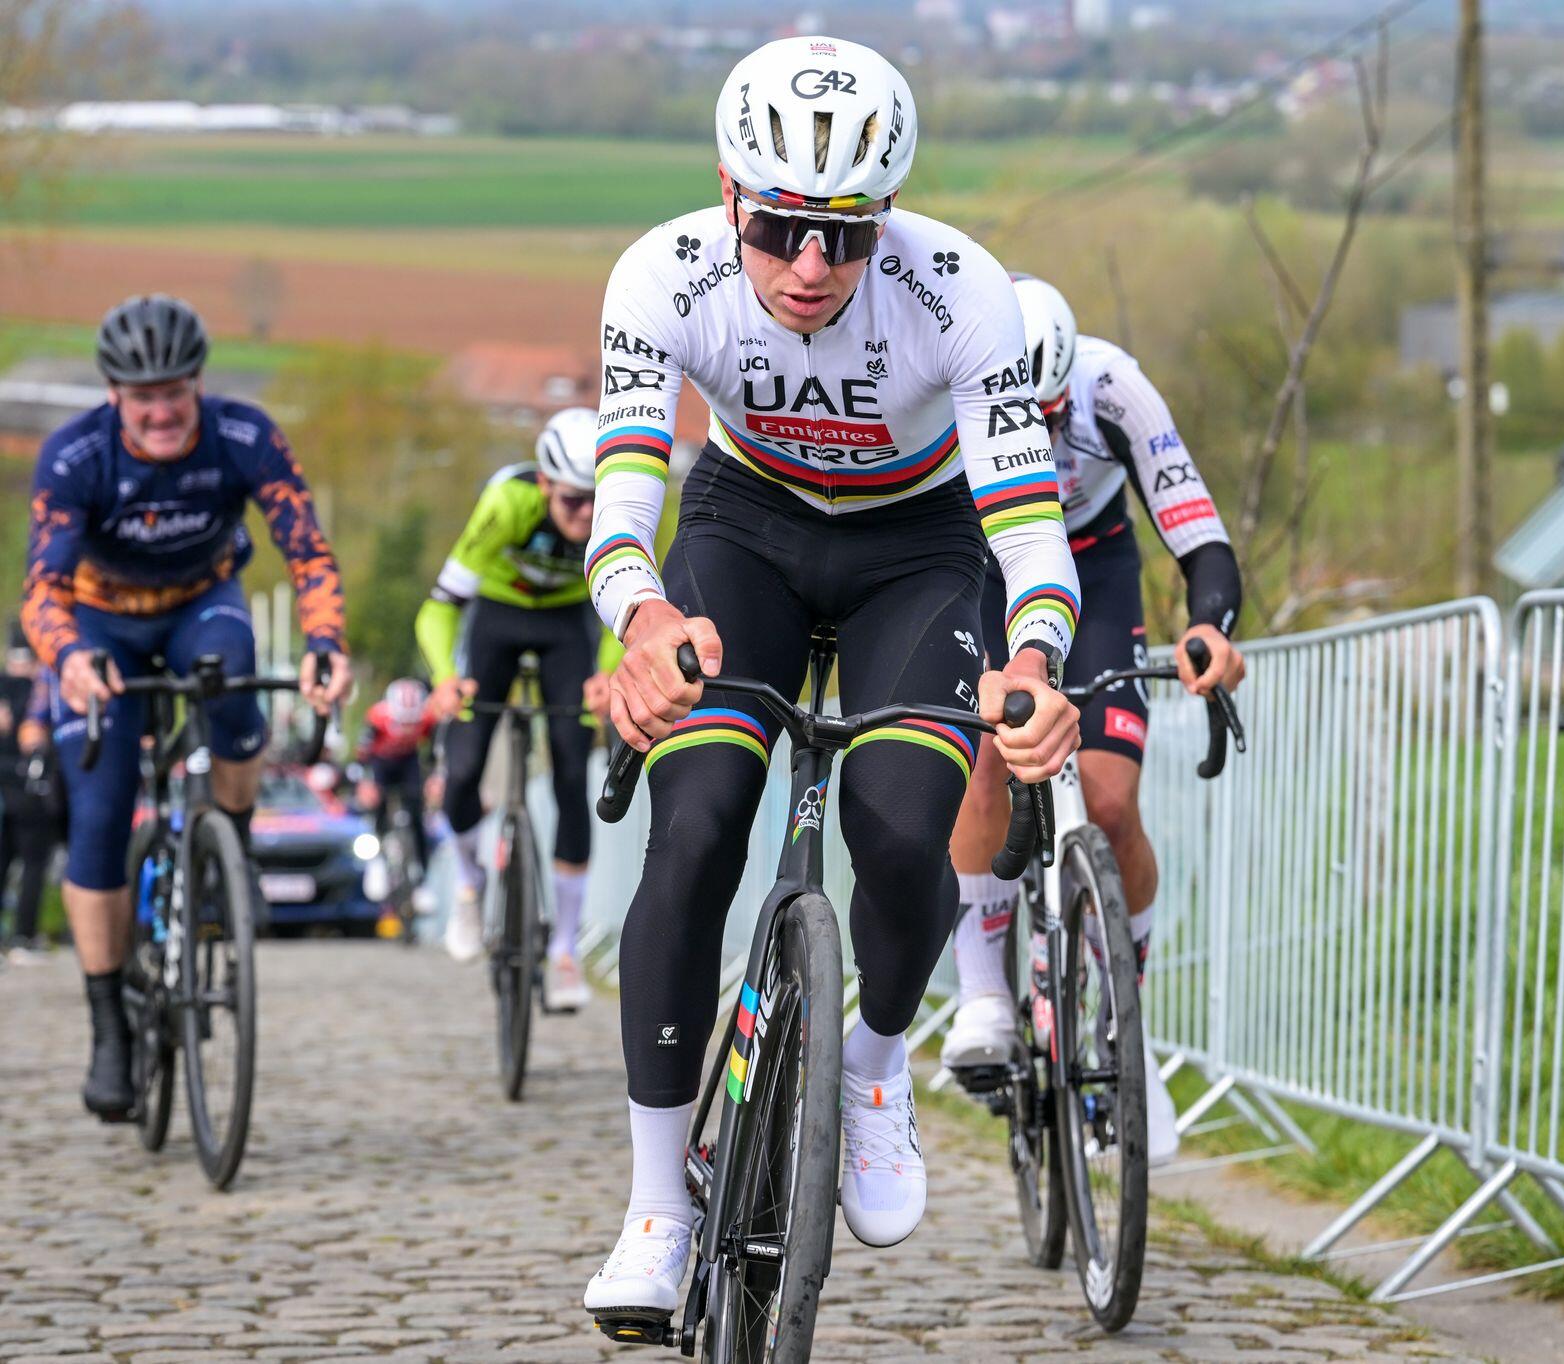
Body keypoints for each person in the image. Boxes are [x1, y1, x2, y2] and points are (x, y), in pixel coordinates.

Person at [579, 35, 1082, 1324]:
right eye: (780, 228)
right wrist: (641, 616)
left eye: (847, 234)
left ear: (888, 215)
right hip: (741, 530)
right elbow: (623, 499)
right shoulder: (663, 275)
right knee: (695, 825)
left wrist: (1035, 662)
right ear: (729, 194)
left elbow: (1029, 530)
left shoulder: (961, 292)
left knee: (903, 828)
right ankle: (656, 1203)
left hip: (917, 548)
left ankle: (869, 1063)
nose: (810, 265)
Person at [938, 276, 1246, 1165]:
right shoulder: (947, 386)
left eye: (1052, 415)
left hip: (1095, 564)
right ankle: (983, 995)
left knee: (1110, 804)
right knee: (986, 756)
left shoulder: (1115, 388)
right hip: (987, 567)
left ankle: (1126, 1028)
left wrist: (1209, 628)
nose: (1039, 437)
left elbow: (1199, 533)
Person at [24, 293, 351, 1120]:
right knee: (99, 814)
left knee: (234, 682)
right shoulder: (75, 456)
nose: (162, 411)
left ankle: (226, 848)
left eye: (174, 392)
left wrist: (325, 642)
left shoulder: (243, 435)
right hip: (101, 623)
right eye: (143, 398)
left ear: (197, 384)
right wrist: (68, 658)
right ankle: (108, 1022)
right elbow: (42, 590)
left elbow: (307, 551)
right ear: (114, 395)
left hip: (202, 604)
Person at [416, 407, 617, 1011]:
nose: (587, 515)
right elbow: (438, 607)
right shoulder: (507, 504)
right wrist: (445, 678)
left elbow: (628, 606)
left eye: (595, 500)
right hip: (497, 618)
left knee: (571, 773)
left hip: (568, 624)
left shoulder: (618, 504)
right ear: (546, 484)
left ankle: (564, 951)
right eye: (573, 500)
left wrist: (607, 674)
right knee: (463, 766)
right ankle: (470, 885)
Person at [1, 625, 64, 957]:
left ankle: (14, 938)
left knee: (5, 861)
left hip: (7, 786)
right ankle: (23, 936)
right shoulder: (39, 689)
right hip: (31, 789)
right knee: (34, 864)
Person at [354, 675, 437, 911]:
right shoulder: (377, 717)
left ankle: (421, 880)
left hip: (408, 761)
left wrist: (435, 777)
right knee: (376, 807)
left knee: (417, 814)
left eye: (413, 722)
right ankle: (377, 861)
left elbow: (433, 752)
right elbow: (362, 754)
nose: (408, 727)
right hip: (381, 762)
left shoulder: (428, 718)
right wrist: (364, 782)